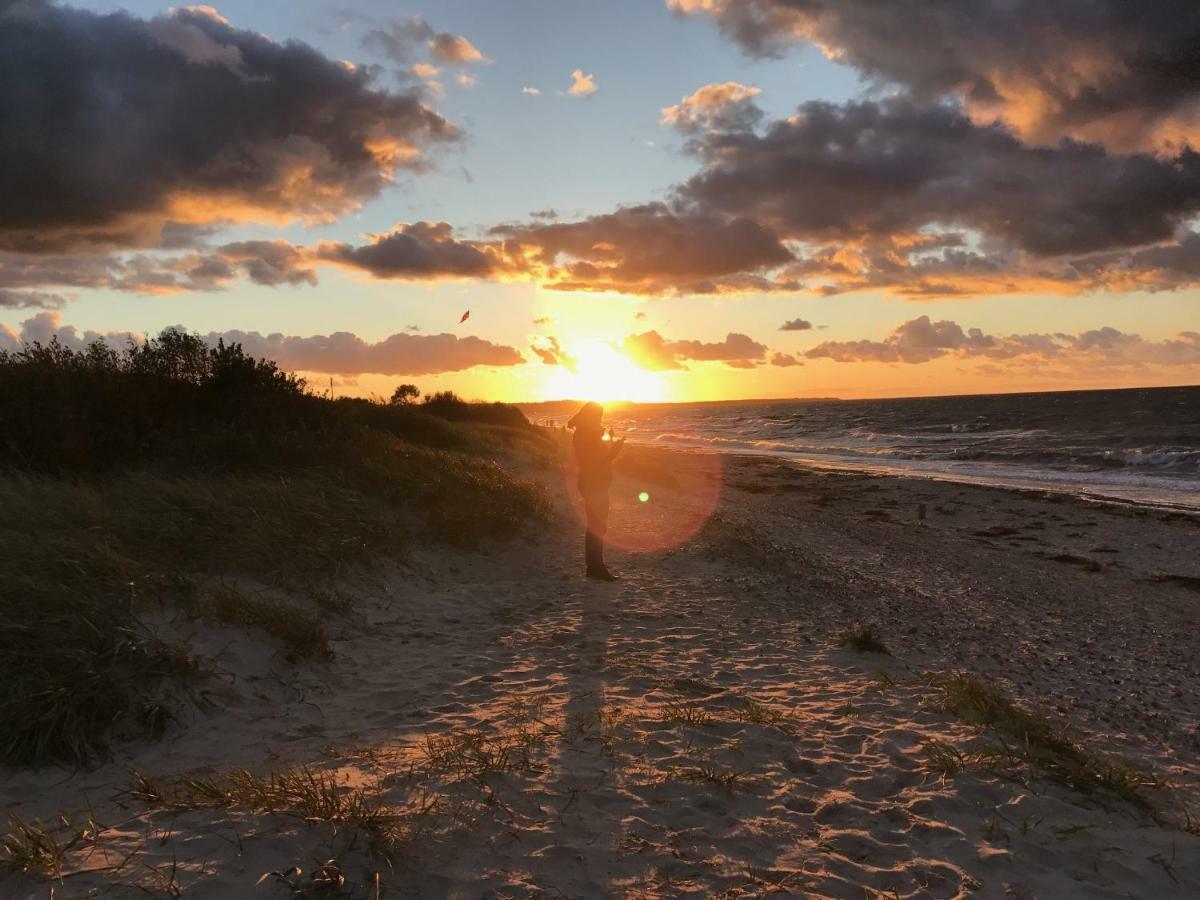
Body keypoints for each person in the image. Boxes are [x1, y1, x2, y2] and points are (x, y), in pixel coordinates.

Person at [567, 401, 625, 580]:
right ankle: (596, 569)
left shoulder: (585, 433)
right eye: (598, 416)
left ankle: (594, 568)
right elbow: (596, 461)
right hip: (594, 483)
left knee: (596, 525)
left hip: (593, 482)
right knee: (598, 526)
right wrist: (615, 450)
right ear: (590, 416)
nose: (600, 419)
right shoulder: (585, 434)